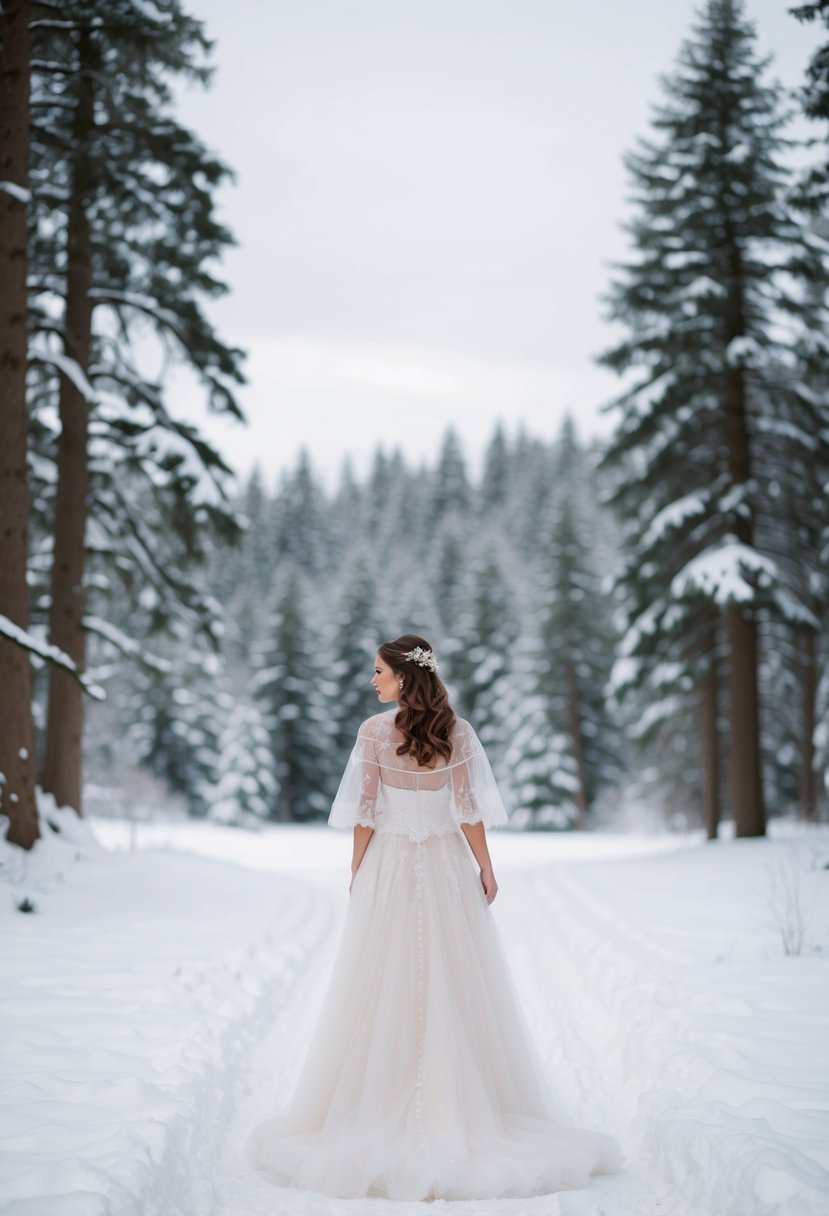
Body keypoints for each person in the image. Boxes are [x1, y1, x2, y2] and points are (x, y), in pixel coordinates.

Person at [245, 633, 624, 1201]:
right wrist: (484, 867)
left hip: (392, 868)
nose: (372, 680)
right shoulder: (457, 731)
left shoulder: (373, 734)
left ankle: (381, 1099)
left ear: (403, 675)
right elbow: (466, 809)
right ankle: (461, 1101)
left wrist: (357, 870)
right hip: (445, 868)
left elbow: (366, 813)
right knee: (454, 978)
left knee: (385, 979)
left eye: (378, 671)